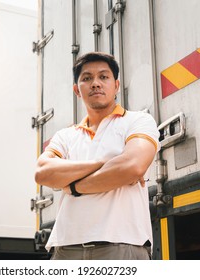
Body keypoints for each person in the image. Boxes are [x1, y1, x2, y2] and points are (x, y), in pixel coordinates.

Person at [34, 52, 160, 260]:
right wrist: (106, 162)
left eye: (103, 77)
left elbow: (133, 166)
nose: (95, 83)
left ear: (116, 85)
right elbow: (42, 173)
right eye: (87, 78)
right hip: (66, 248)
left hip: (120, 245)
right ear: (77, 89)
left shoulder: (138, 121)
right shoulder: (66, 135)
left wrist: (73, 186)